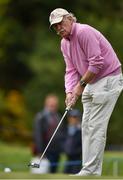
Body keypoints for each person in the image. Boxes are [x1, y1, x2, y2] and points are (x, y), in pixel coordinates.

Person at [49, 8, 123, 176]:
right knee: (87, 126)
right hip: (91, 81)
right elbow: (71, 70)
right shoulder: (64, 43)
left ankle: (91, 171)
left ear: (70, 19)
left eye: (61, 23)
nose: (59, 28)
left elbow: (96, 63)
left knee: (96, 126)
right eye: (55, 26)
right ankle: (88, 169)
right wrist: (69, 92)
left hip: (108, 79)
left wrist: (80, 86)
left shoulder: (83, 32)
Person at [32, 94, 64, 173]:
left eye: (55, 105)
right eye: (51, 105)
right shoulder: (40, 116)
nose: (53, 107)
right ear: (46, 105)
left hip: (56, 151)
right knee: (43, 172)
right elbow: (37, 134)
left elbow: (61, 133)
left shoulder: (58, 116)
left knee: (53, 173)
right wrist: (40, 151)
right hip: (45, 150)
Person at [63, 109, 82, 174]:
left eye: (75, 117)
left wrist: (77, 151)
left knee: (75, 173)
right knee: (66, 173)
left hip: (77, 157)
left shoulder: (81, 130)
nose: (73, 119)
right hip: (68, 156)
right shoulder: (66, 128)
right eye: (72, 117)